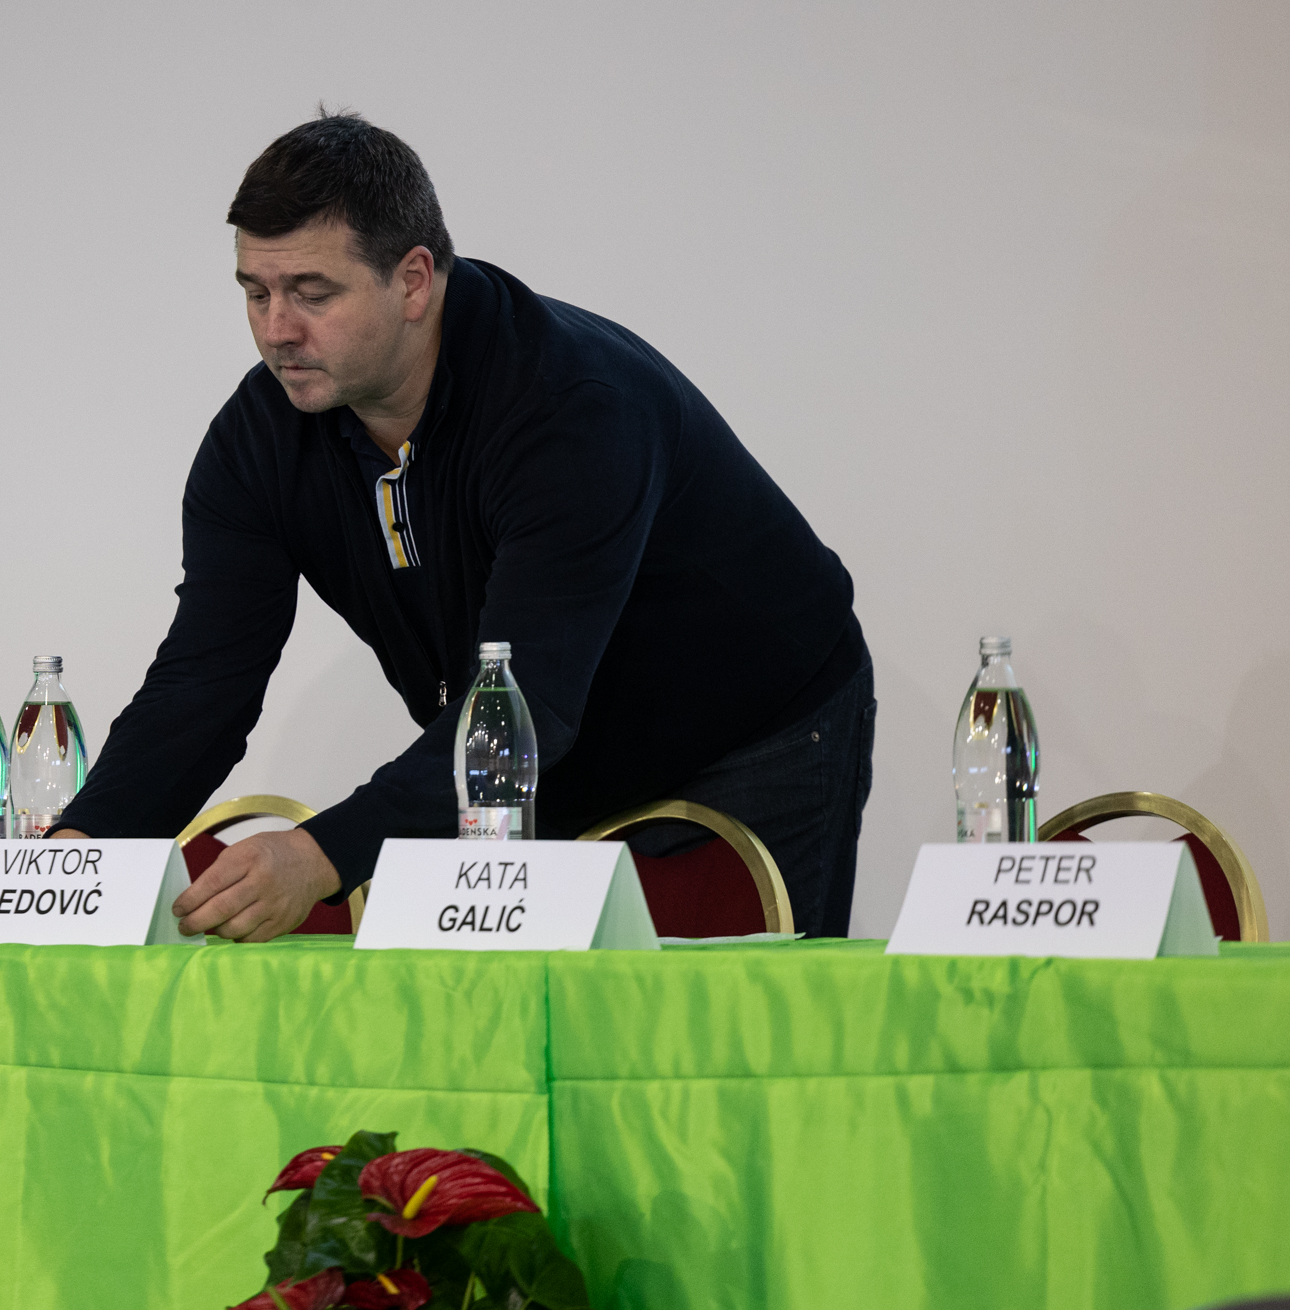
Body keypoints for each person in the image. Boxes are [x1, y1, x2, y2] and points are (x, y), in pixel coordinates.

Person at [50, 113, 874, 941]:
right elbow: (206, 678)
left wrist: (324, 852)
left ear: (413, 281)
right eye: (256, 293)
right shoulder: (258, 442)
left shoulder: (568, 408)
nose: (276, 330)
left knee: (739, 1017)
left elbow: (533, 698)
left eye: (312, 293)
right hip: (535, 761)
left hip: (752, 730)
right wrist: (79, 850)